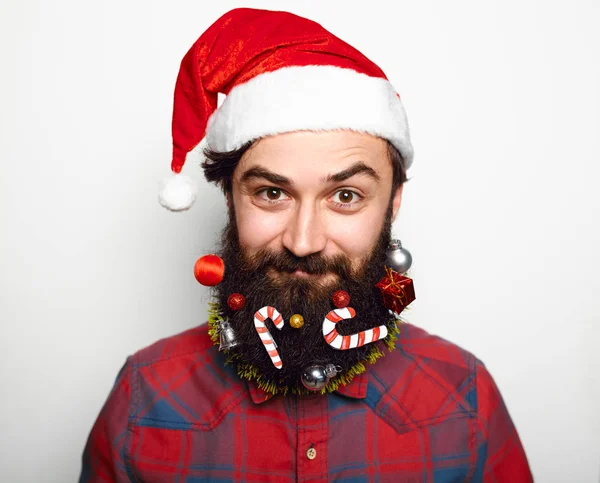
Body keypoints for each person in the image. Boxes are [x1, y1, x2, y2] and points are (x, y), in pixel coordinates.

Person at [79, 8, 533, 482]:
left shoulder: (464, 394)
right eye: (271, 193)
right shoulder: (145, 397)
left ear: (393, 202)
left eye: (345, 196)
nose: (303, 241)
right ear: (231, 198)